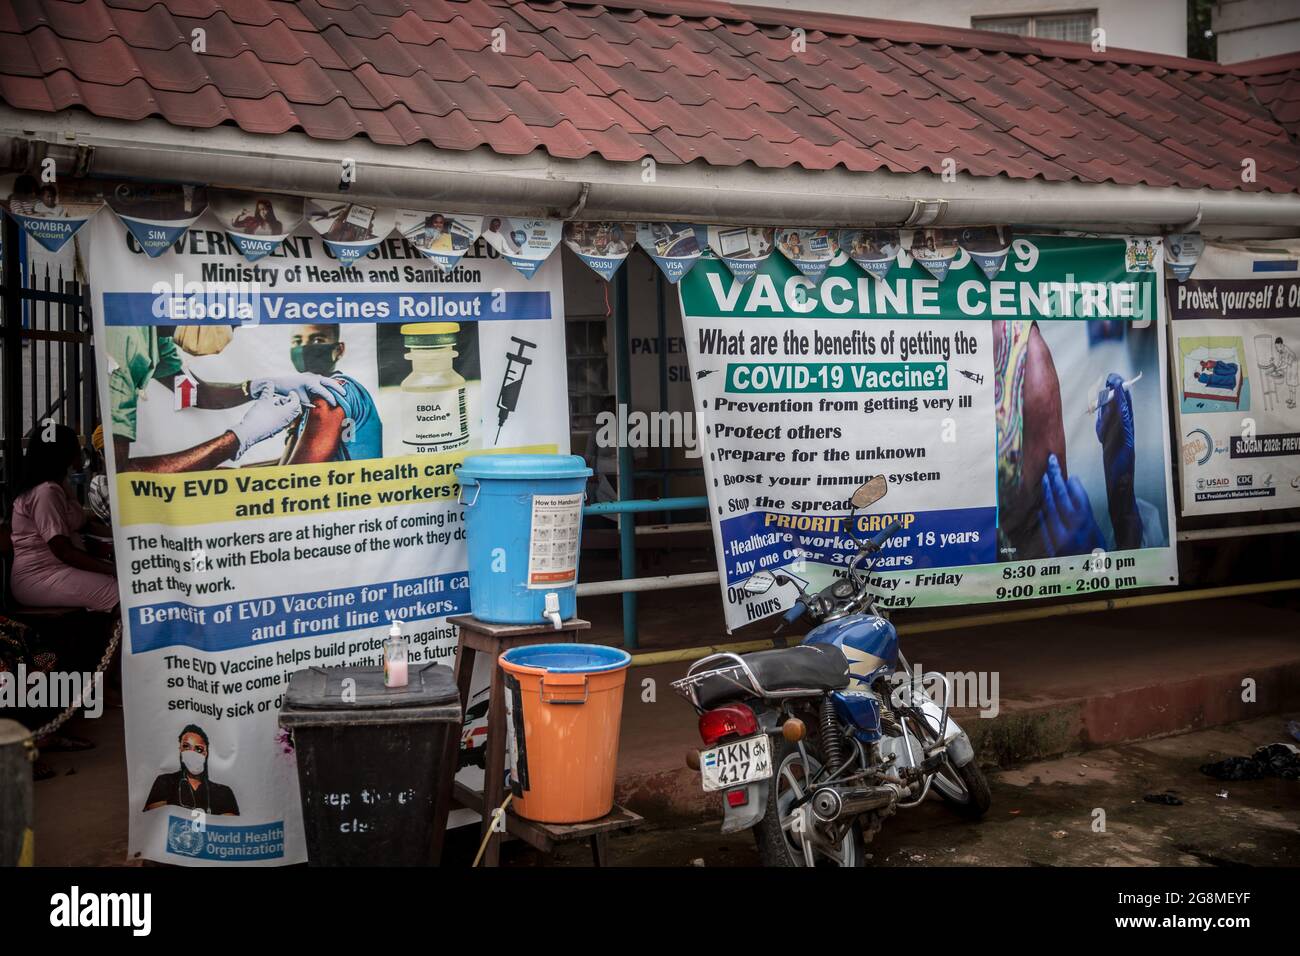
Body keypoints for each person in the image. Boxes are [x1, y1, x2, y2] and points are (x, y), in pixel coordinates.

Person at [107, 324, 344, 472]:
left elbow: (191, 393)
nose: (229, 334)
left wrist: (254, 387)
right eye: (230, 323)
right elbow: (122, 479)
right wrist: (238, 438)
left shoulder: (156, 337)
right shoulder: (122, 345)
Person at [7, 424, 118, 613]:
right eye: (75, 449)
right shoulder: (45, 493)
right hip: (42, 576)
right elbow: (63, 551)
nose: (80, 455)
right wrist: (112, 570)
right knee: (120, 593)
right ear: (63, 455)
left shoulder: (60, 485)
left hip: (61, 570)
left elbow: (84, 525)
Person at [279, 324, 381, 463]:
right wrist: (293, 428)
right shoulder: (312, 395)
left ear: (339, 350)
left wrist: (292, 430)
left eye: (317, 340)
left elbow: (296, 475)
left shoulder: (329, 394)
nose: (304, 348)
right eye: (297, 341)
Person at [143, 725, 239, 815]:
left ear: (206, 753)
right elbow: (158, 822)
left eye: (198, 749)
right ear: (180, 749)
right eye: (186, 746)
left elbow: (230, 829)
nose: (192, 753)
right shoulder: (165, 783)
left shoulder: (224, 793)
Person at [1261, 336, 1297, 409]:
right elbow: (1281, 361)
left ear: (1281, 344)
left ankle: (1294, 403)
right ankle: (1291, 399)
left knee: (1292, 384)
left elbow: (1286, 364)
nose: (1276, 349)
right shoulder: (1281, 351)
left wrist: (1278, 369)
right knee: (1289, 384)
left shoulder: (1286, 350)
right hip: (1288, 367)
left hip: (1293, 367)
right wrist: (1277, 367)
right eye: (1276, 347)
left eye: (1277, 347)